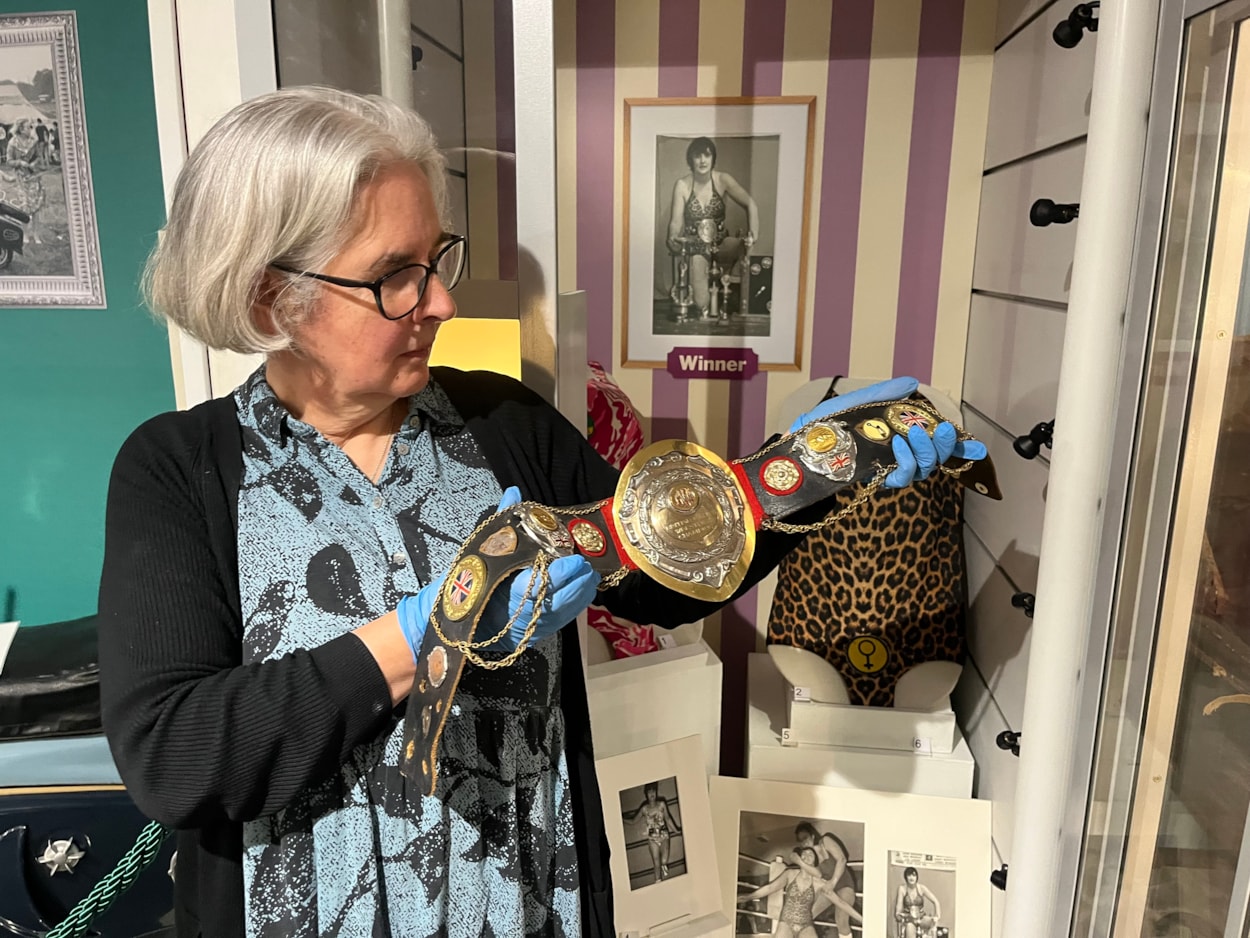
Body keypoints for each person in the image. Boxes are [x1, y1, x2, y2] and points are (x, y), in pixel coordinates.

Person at [97, 86, 982, 938]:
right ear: (272, 298)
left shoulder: (503, 423)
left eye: (437, 260)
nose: (442, 301)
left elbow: (659, 579)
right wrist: (431, 630)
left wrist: (803, 476)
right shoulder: (177, 472)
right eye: (395, 277)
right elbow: (176, 757)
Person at [664, 136, 759, 320]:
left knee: (746, 249)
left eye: (707, 155)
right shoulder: (682, 185)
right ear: (690, 159)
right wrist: (673, 237)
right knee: (701, 304)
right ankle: (708, 303)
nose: (702, 160)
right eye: (697, 156)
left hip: (721, 243)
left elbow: (751, 204)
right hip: (696, 248)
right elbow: (675, 222)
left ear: (713, 158)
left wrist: (753, 236)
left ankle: (734, 293)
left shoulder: (723, 179)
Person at [791, 822, 860, 938]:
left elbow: (842, 859)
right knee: (805, 915)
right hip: (828, 889)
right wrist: (799, 861)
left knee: (841, 919)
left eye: (805, 838)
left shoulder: (825, 841)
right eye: (800, 840)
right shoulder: (810, 857)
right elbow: (815, 877)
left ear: (812, 836)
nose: (804, 842)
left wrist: (833, 882)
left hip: (844, 884)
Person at [622, 782, 681, 884]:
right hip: (652, 839)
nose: (652, 794)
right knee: (656, 863)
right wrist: (622, 819)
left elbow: (668, 819)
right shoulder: (644, 809)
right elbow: (633, 821)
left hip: (664, 836)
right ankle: (658, 882)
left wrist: (677, 830)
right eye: (649, 792)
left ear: (656, 792)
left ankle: (664, 868)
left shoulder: (661, 804)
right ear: (646, 794)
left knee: (664, 861)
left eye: (653, 791)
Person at [894, 866, 942, 938]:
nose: (911, 878)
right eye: (909, 875)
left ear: (917, 877)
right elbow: (898, 910)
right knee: (910, 930)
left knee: (934, 924)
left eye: (914, 875)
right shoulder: (902, 889)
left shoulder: (921, 888)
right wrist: (899, 916)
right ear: (906, 877)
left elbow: (936, 901)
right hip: (909, 920)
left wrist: (937, 916)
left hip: (921, 918)